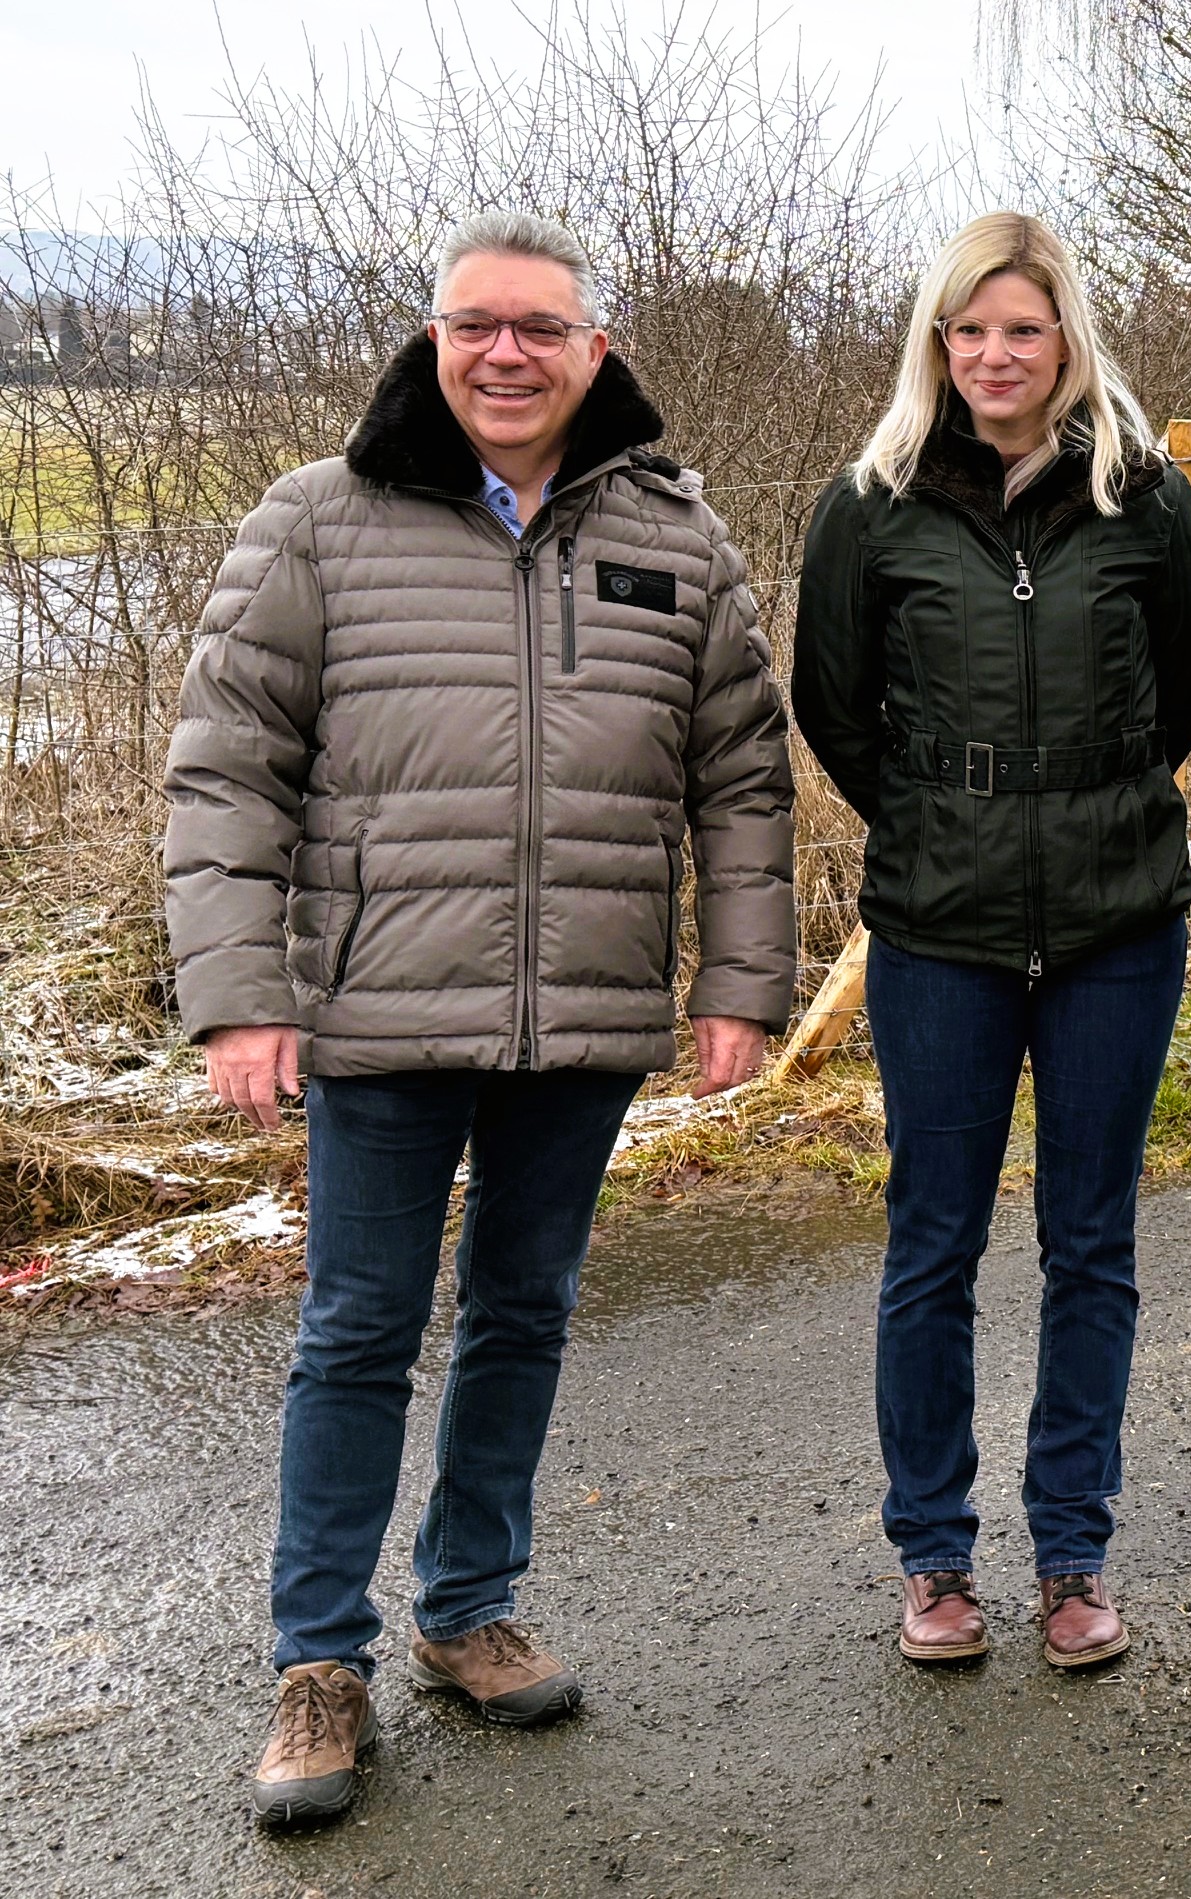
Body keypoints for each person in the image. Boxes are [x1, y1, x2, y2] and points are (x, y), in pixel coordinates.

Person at [162, 211, 795, 1824]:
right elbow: (228, 767)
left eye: (538, 327)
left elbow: (742, 777)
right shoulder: (318, 521)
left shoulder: (675, 533)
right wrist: (240, 994)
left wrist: (738, 982)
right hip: (376, 1007)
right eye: (472, 326)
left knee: (525, 1309)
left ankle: (467, 1610)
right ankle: (321, 1663)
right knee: (358, 1332)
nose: (504, 354)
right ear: (432, 341)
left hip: (580, 1009)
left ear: (597, 346)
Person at [793, 212, 1191, 1670]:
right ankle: (934, 1558)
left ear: (1066, 340)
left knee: (1091, 1246)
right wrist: (946, 818)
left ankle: (1076, 1553)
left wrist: (1079, 805)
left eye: (1021, 330)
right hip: (942, 935)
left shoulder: (1146, 497)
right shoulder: (872, 503)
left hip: (1116, 926)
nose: (994, 356)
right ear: (937, 341)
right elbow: (835, 707)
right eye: (969, 330)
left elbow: (1184, 693)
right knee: (934, 1245)